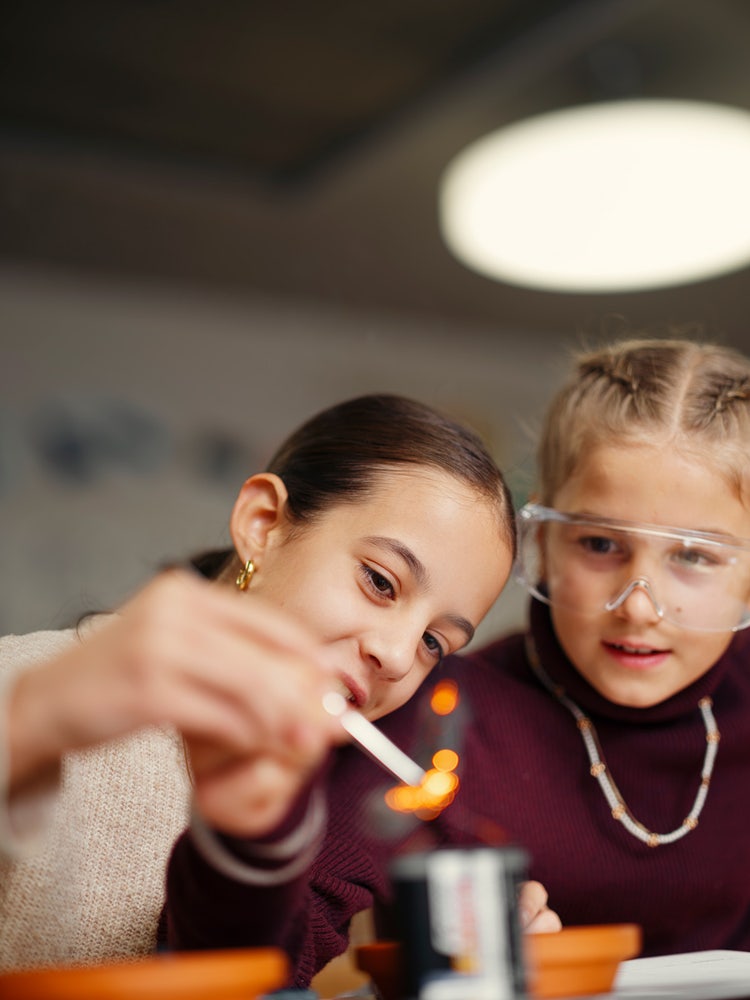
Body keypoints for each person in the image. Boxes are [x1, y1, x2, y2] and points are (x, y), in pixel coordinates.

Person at [165, 333, 750, 980]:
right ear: (544, 546)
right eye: (599, 544)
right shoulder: (429, 717)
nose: (639, 607)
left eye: (695, 556)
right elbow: (259, 971)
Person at [0, 391, 548, 972]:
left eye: (434, 643)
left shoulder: (339, 800)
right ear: (262, 525)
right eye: (381, 583)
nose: (394, 656)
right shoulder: (25, 681)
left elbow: (258, 977)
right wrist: (32, 721)